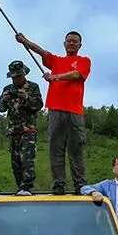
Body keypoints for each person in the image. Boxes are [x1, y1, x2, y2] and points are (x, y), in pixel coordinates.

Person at [15, 30, 91, 194]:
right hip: (55, 110)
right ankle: (59, 184)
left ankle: (80, 184)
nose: (71, 43)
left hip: (74, 111)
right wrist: (25, 40)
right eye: (69, 41)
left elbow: (76, 75)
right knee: (55, 149)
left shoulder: (84, 61)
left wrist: (55, 77)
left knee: (75, 148)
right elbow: (41, 51)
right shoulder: (56, 60)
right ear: (64, 44)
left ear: (80, 45)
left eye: (75, 41)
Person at [0, 59, 44, 195]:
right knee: (15, 162)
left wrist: (27, 98)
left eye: (19, 76)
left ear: (24, 75)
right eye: (14, 77)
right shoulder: (7, 89)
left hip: (28, 130)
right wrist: (4, 100)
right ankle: (20, 187)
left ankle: (27, 186)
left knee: (27, 159)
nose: (17, 79)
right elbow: (0, 108)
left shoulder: (33, 87)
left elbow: (38, 105)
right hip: (13, 131)